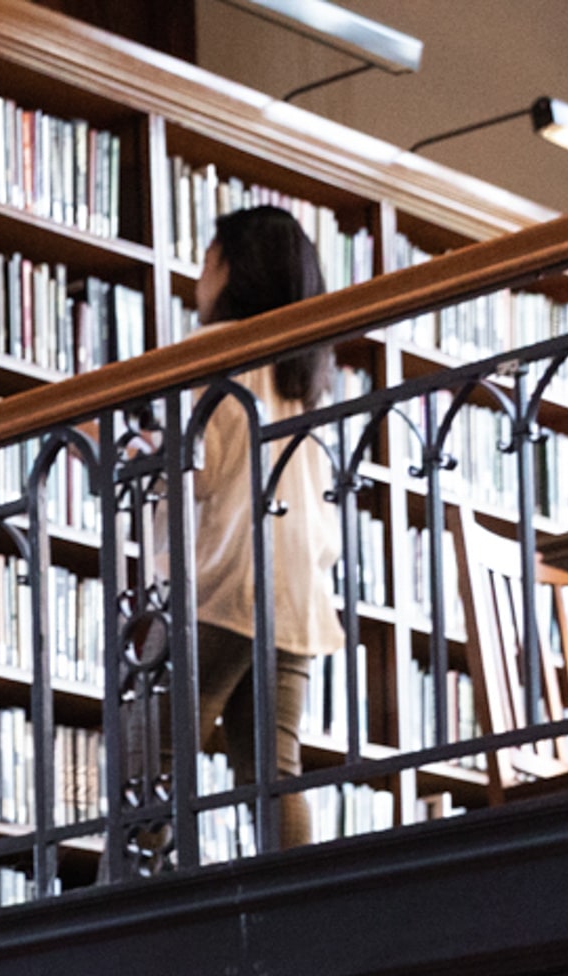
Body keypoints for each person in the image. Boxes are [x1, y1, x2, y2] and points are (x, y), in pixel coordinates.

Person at [187, 204, 345, 850]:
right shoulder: (303, 372)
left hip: (229, 576)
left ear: (229, 268)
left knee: (152, 750)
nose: (197, 275)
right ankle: (299, 922)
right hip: (296, 587)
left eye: (205, 258)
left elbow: (195, 470)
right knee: (270, 771)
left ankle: (126, 908)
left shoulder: (215, 352)